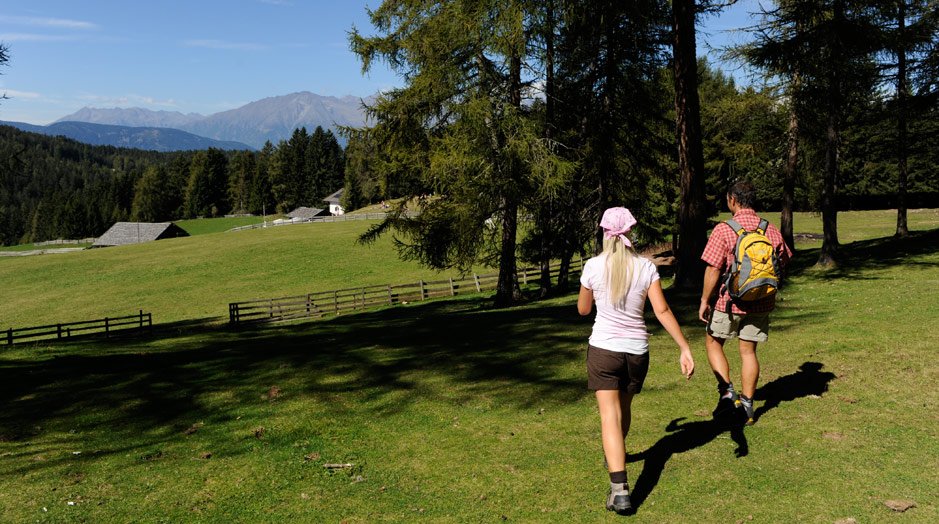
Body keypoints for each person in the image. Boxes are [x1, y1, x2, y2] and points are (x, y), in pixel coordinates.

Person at [578, 207, 695, 515]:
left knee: (609, 417)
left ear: (605, 233)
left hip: (604, 350)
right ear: (629, 233)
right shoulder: (645, 267)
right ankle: (616, 455)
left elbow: (582, 310)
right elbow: (663, 311)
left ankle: (620, 491)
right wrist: (684, 347)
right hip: (636, 351)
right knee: (623, 410)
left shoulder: (593, 266)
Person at [698, 180, 792, 426]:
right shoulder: (769, 229)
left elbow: (712, 269)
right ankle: (748, 406)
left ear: (732, 200)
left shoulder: (724, 229)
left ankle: (727, 391)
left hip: (728, 303)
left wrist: (704, 300)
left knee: (713, 341)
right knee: (748, 352)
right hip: (760, 302)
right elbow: (784, 261)